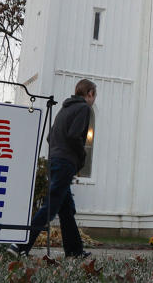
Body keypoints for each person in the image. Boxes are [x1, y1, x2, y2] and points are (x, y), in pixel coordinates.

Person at [8, 78, 95, 259]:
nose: (94, 100)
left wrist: (59, 152)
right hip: (65, 163)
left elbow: (50, 137)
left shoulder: (64, 109)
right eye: (94, 96)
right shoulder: (84, 108)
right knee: (50, 207)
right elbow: (74, 136)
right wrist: (81, 156)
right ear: (90, 94)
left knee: (66, 210)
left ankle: (74, 251)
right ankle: (20, 245)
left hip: (55, 160)